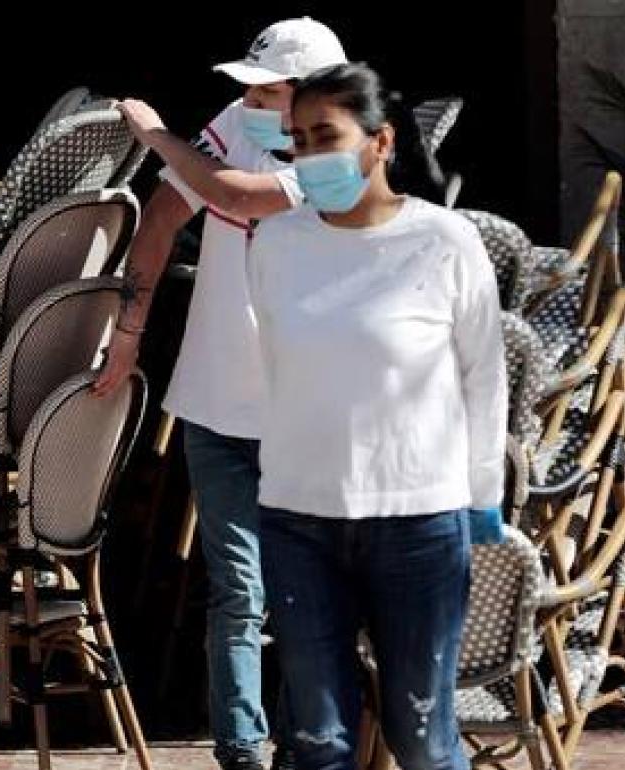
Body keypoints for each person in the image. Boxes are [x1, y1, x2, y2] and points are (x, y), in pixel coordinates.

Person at [119, 62, 506, 770]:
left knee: (420, 735)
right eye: (299, 140)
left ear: (382, 141)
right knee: (317, 741)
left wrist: (481, 501)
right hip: (303, 522)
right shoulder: (280, 245)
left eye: (325, 135)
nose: (308, 153)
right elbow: (284, 371)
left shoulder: (444, 243)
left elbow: (483, 378)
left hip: (415, 520)